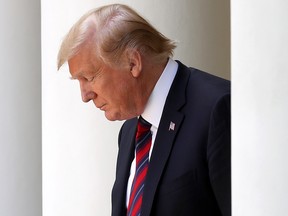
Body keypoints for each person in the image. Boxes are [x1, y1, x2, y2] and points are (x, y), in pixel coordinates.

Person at [57, 4, 231, 216]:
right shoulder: (130, 130)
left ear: (133, 63)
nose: (85, 95)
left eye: (90, 77)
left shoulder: (218, 108)